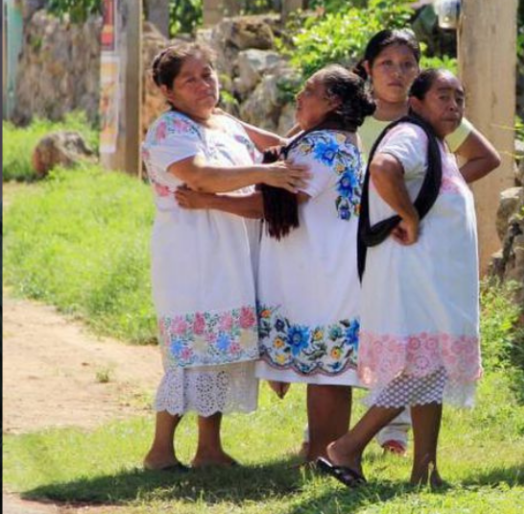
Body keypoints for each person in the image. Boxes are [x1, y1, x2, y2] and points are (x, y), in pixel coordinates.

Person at [300, 28, 501, 458]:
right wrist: (407, 208)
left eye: (408, 64)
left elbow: (485, 157)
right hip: (347, 247)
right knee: (346, 344)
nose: (399, 72)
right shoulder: (355, 114)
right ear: (368, 68)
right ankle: (324, 442)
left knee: (412, 345)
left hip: (401, 249)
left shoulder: (437, 116)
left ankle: (398, 442)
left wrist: (429, 199)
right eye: (388, 63)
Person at [141, 42, 308, 471]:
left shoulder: (225, 124)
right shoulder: (167, 131)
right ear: (168, 91)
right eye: (189, 79)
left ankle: (209, 450)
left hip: (235, 250)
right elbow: (200, 176)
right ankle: (160, 450)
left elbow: (282, 144)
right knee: (191, 355)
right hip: (193, 258)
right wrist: (263, 174)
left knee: (222, 352)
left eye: (208, 74)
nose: (204, 85)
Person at [319, 69, 483, 488]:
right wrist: (408, 216)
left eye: (459, 98)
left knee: (432, 371)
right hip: (413, 282)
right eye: (442, 96)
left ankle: (424, 472)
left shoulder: (437, 144)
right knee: (415, 372)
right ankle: (347, 448)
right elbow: (384, 168)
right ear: (417, 102)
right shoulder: (409, 136)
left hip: (431, 284)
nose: (453, 106)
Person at [253, 65, 376, 462]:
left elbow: (282, 199)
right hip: (331, 266)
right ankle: (323, 451)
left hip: (319, 271)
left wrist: (209, 200)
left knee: (326, 370)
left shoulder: (321, 147)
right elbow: (280, 148)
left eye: (309, 91)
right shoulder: (336, 140)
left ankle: (322, 454)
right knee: (330, 370)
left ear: (333, 102)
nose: (299, 97)